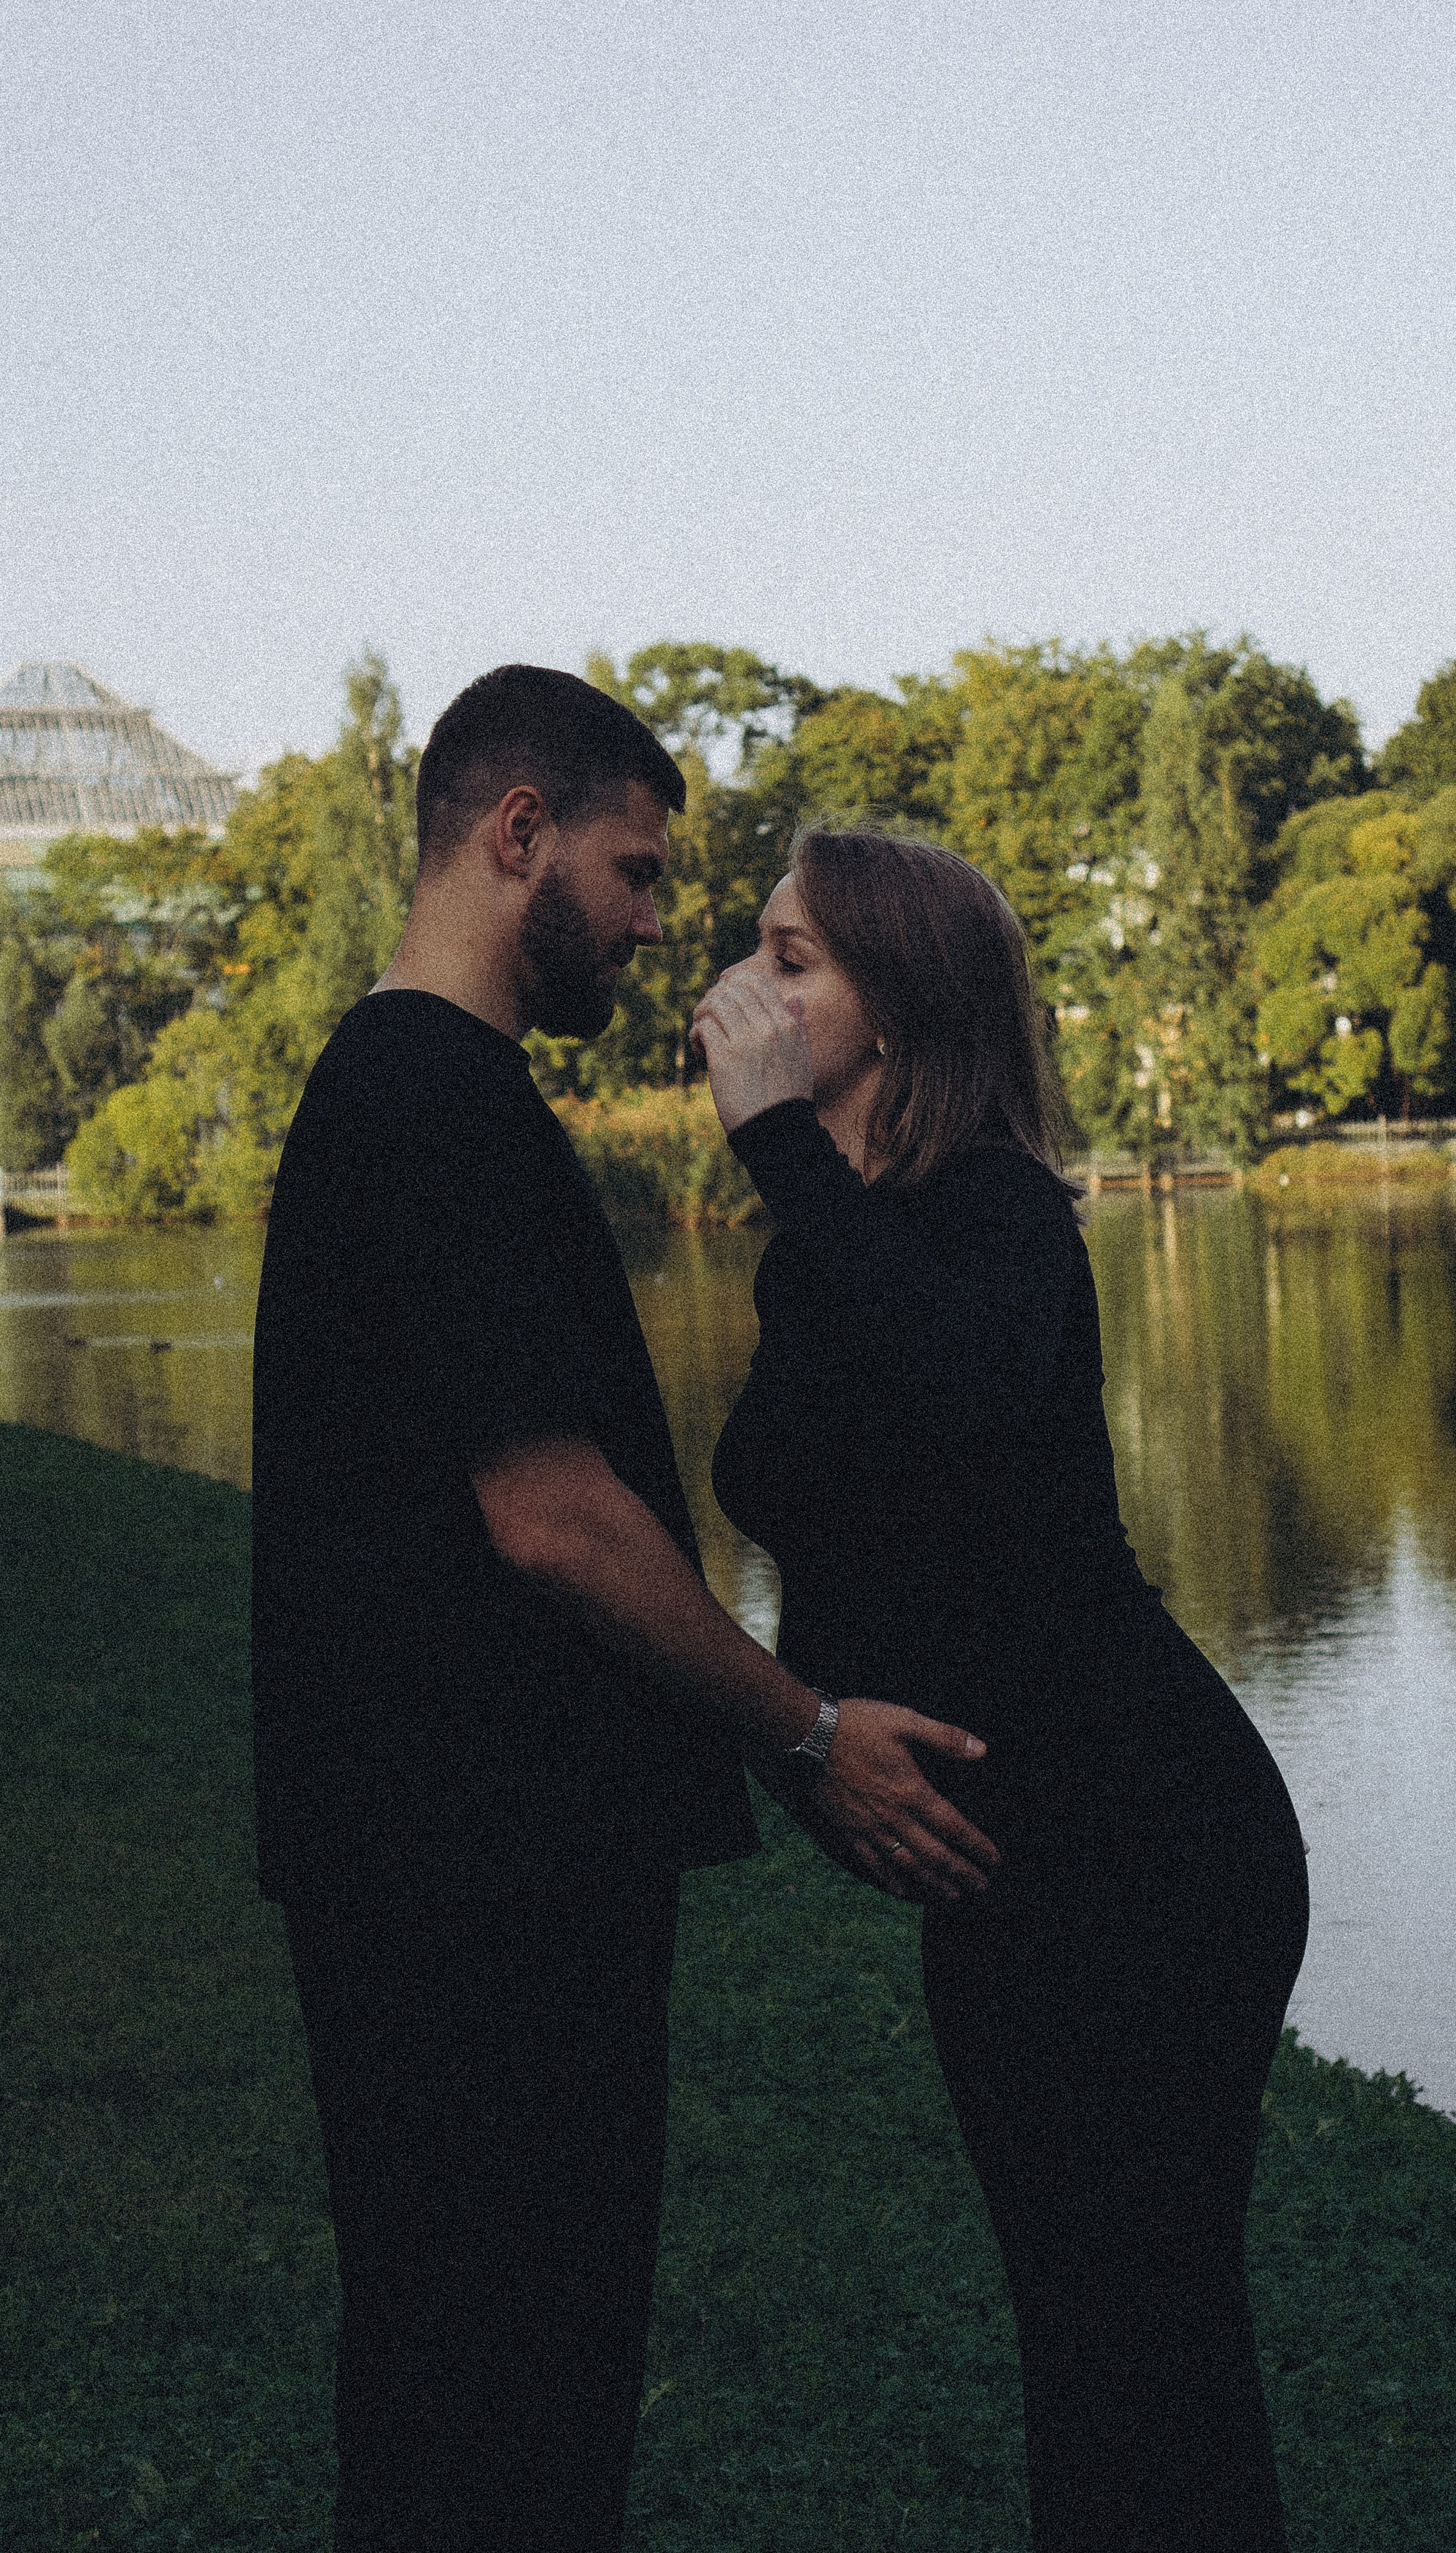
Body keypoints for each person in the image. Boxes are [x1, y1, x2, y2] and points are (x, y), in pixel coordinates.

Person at [251, 669, 1000, 2553]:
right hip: (476, 1883)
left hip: (446, 1865)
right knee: (507, 2389)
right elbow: (553, 1520)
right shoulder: (435, 1106)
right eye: (638, 871)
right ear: (519, 839)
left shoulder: (419, 1092)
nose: (662, 921)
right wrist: (806, 1732)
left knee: (463, 2376)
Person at [691, 826, 1311, 2553]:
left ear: (898, 1001)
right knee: (1082, 2321)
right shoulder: (838, 1234)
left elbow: (959, 1385)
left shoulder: (995, 1212)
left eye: (790, 958)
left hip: (1148, 1843)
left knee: (1149, 2324)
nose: (741, 990)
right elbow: (817, 1492)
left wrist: (772, 1154)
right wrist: (802, 1735)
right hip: (1008, 1859)